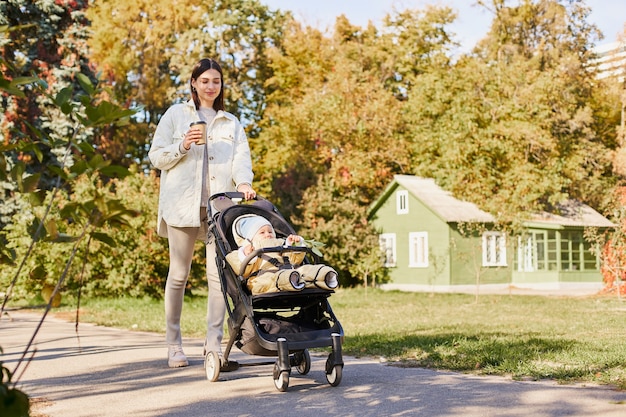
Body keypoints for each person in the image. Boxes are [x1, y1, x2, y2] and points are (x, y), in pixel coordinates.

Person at [148, 58, 256, 369]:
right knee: (179, 276)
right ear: (194, 83)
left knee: (217, 279)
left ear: (221, 86)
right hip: (181, 205)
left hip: (218, 208)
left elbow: (241, 160)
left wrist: (244, 182)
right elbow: (156, 157)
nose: (210, 86)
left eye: (216, 81)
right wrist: (181, 146)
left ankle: (213, 347)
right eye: (205, 80)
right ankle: (174, 346)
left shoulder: (231, 123)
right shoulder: (175, 115)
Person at [225, 214, 339, 295]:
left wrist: (296, 246)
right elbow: (239, 267)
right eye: (262, 232)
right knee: (269, 279)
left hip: (290, 270)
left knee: (305, 270)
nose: (267, 235)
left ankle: (324, 277)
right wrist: (245, 254)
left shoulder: (282, 244)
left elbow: (295, 261)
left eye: (270, 231)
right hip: (262, 278)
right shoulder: (249, 248)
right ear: (249, 237)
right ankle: (291, 280)